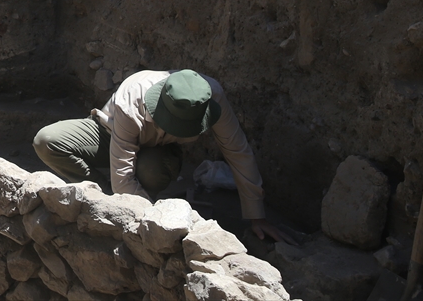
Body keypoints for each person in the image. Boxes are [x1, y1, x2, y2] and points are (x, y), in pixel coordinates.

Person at [33, 69, 296, 245]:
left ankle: (136, 198)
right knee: (47, 141)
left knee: (151, 169)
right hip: (109, 132)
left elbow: (238, 151)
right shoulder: (131, 101)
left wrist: (256, 215)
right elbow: (123, 179)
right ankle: (99, 196)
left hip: (156, 152)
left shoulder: (209, 96)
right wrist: (155, 224)